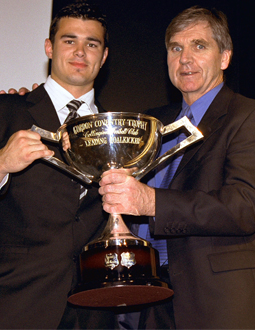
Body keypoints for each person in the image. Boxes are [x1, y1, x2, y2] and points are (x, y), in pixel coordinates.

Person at [99, 6, 255, 329]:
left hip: (215, 303)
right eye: (176, 48)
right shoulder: (152, 123)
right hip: (147, 304)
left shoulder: (246, 116)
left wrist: (151, 202)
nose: (185, 58)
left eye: (199, 46)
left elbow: (244, 204)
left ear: (224, 57)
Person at [0, 2, 120, 329]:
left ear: (103, 57)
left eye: (92, 44)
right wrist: (0, 163)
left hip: (93, 311)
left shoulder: (118, 132)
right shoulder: (0, 109)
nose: (80, 52)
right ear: (49, 47)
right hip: (13, 302)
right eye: (68, 40)